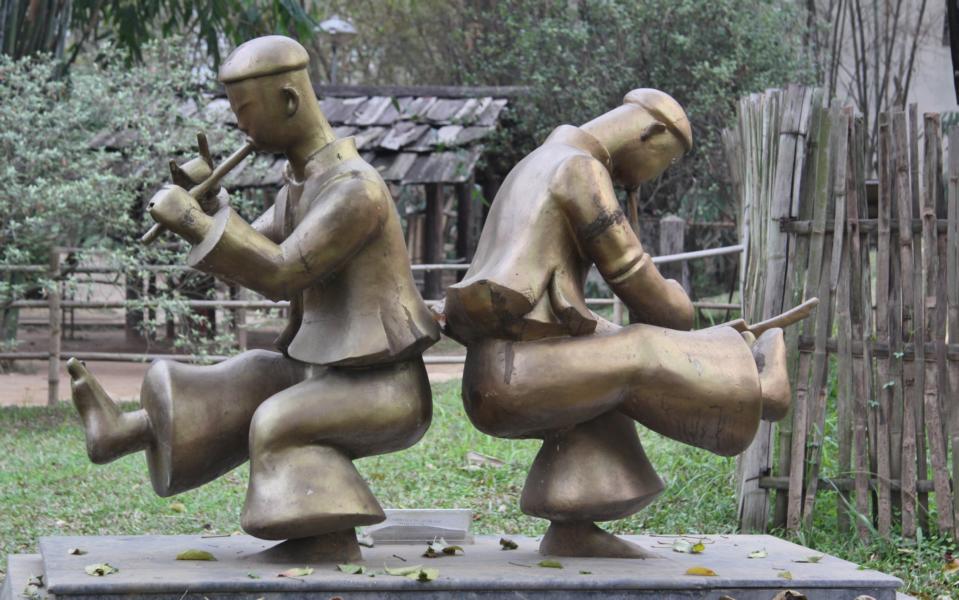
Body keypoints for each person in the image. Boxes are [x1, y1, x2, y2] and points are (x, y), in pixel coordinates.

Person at [67, 35, 439, 562]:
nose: (240, 126)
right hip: (328, 371)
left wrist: (195, 220)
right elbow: (262, 245)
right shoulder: (302, 180)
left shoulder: (354, 190)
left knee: (277, 422)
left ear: (288, 101)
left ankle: (325, 539)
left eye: (246, 111)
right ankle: (128, 432)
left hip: (385, 386)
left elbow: (281, 271)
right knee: (245, 376)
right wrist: (214, 204)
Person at [442, 89, 791, 558]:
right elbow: (651, 300)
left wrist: (712, 341)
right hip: (516, 373)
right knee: (639, 349)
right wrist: (681, 307)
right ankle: (763, 392)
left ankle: (574, 528)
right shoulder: (578, 169)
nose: (653, 175)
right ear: (650, 133)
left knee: (608, 347)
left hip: (501, 368)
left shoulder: (537, 162)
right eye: (662, 162)